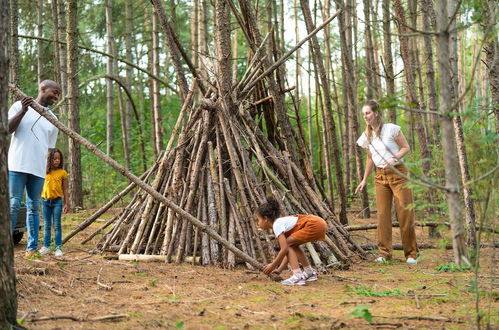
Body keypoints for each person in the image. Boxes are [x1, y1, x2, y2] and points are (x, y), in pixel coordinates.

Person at [355, 100, 418, 265]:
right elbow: (370, 158)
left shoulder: (391, 129)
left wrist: (394, 157)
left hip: (399, 174)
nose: (365, 116)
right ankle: (384, 253)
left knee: (404, 213)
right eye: (363, 114)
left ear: (376, 113)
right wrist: (364, 179)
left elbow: (406, 147)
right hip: (380, 177)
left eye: (368, 113)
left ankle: (411, 254)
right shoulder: (366, 136)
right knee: (383, 215)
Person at [8, 80, 61, 257]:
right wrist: (23, 111)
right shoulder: (19, 105)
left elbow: (50, 149)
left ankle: (31, 249)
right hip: (17, 164)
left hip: (38, 170)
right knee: (13, 204)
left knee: (34, 207)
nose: (56, 96)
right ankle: (5, 246)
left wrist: (48, 171)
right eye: (54, 92)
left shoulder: (53, 119)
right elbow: (7, 129)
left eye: (58, 94)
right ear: (43, 89)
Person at [256, 198, 327, 286]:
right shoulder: (280, 223)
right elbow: (289, 251)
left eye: (258, 220)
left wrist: (273, 265)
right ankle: (309, 272)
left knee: (288, 245)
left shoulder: (277, 225)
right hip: (319, 223)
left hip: (313, 224)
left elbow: (284, 249)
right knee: (293, 245)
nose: (258, 224)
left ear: (266, 219)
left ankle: (297, 276)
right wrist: (279, 269)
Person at [39, 148, 69, 257]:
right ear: (49, 159)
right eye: (54, 158)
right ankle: (46, 246)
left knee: (57, 225)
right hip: (45, 201)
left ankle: (58, 247)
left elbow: (65, 189)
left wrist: (66, 203)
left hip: (57, 202)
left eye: (59, 159)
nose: (57, 161)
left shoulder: (63, 173)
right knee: (46, 225)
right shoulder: (44, 172)